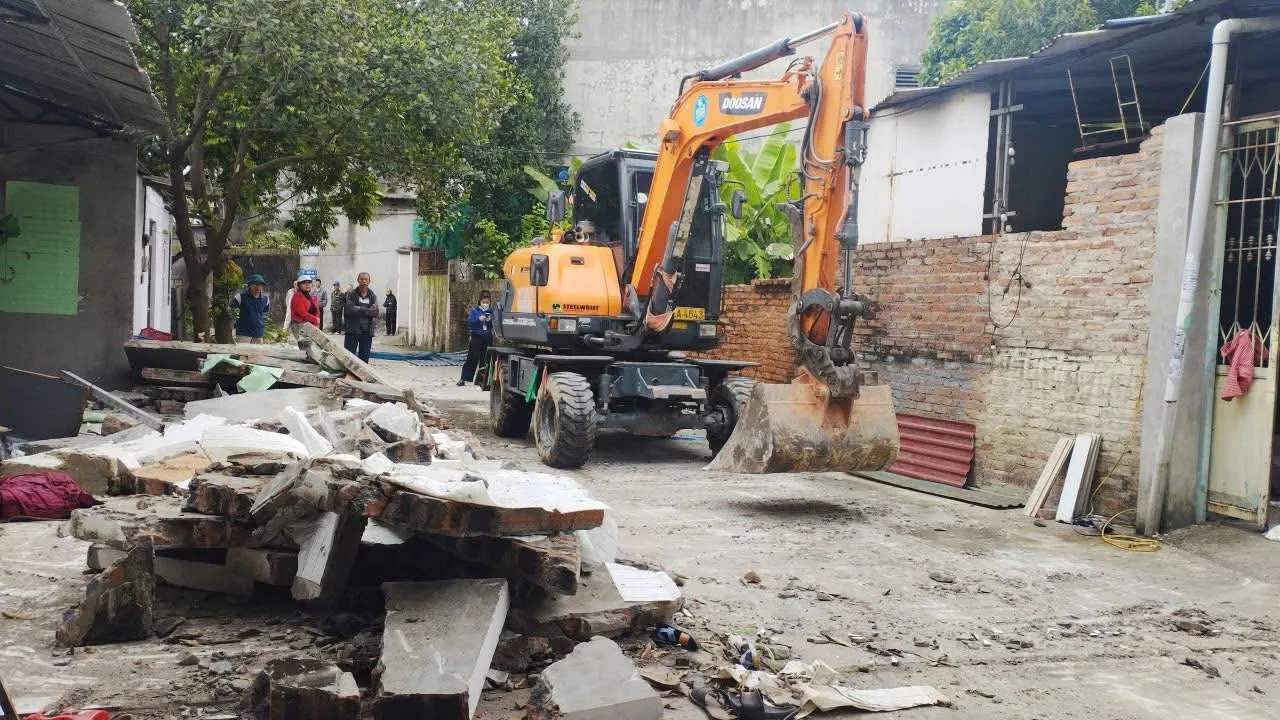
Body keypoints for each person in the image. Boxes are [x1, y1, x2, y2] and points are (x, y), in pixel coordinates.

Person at [458, 291, 492, 386]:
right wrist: (478, 319)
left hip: (487, 338)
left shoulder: (492, 311)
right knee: (472, 358)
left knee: (485, 359)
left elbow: (495, 325)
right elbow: (470, 323)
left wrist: (490, 321)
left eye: (487, 302)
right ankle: (464, 378)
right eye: (483, 302)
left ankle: (482, 380)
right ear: (480, 301)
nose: (485, 304)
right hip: (476, 337)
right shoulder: (474, 311)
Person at [343, 272, 379, 363]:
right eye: (361, 279)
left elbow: (375, 312)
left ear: (369, 281)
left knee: (364, 359)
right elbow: (349, 310)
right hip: (352, 331)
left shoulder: (372, 296)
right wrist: (367, 310)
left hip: (367, 332)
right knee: (348, 358)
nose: (363, 281)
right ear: (358, 280)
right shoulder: (351, 294)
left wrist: (358, 308)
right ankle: (348, 376)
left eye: (366, 279)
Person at [232, 274, 270, 344]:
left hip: (258, 335)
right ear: (249, 285)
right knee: (242, 354)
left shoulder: (266, 299)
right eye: (255, 284)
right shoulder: (239, 298)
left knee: (257, 354)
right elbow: (232, 313)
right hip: (243, 334)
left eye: (260, 285)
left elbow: (264, 313)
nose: (258, 287)